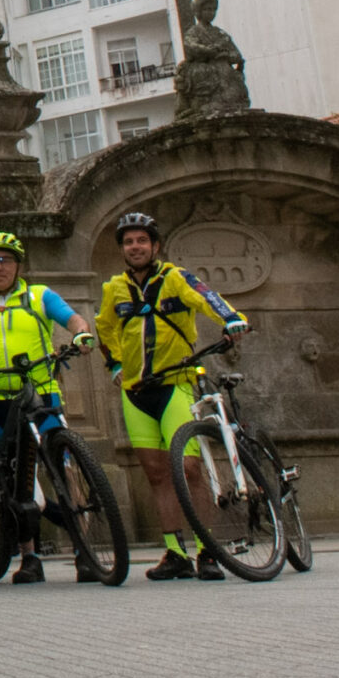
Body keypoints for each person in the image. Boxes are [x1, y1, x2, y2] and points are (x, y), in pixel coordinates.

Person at [94, 211, 248, 581]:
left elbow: (207, 298)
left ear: (155, 245)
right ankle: (175, 553)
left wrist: (231, 319)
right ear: (122, 249)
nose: (135, 247)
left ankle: (207, 551)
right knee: (156, 474)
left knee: (189, 468)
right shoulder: (114, 288)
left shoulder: (175, 278)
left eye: (141, 240)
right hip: (135, 392)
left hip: (175, 384)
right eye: (128, 242)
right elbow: (105, 328)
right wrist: (115, 365)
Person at [0, 232, 99, 584]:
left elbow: (74, 319)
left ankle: (84, 551)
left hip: (41, 395)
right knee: (17, 480)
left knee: (64, 470)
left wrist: (81, 334)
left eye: (5, 260)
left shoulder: (39, 296)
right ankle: (29, 557)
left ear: (18, 265)